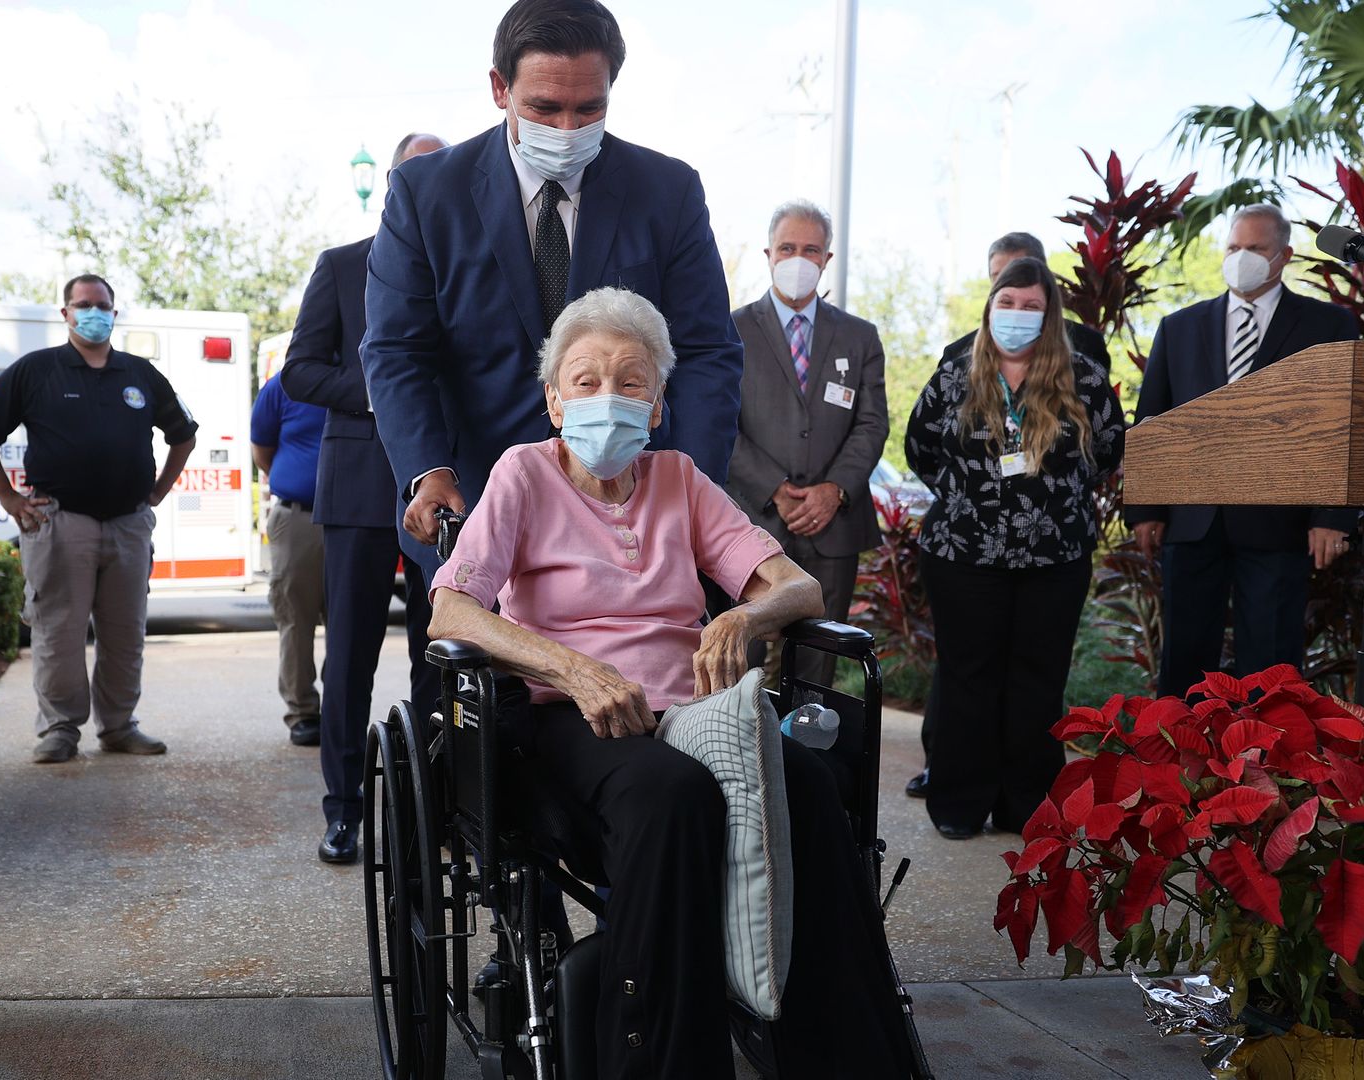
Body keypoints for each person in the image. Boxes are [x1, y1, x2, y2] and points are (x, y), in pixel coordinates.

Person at [430, 287, 913, 1078]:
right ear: (555, 401)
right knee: (671, 796)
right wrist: (573, 667)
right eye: (585, 381)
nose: (608, 397)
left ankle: (847, 1058)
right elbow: (451, 611)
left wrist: (741, 621)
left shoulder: (680, 478)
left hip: (697, 718)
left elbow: (798, 588)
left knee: (809, 789)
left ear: (657, 406)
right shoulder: (523, 474)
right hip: (573, 718)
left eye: (631, 381)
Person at [362, 0, 744, 563]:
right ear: (500, 87)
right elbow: (396, 350)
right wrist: (429, 471)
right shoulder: (427, 195)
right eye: (545, 108)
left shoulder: (668, 193)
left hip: (634, 515)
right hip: (475, 509)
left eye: (590, 109)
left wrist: (690, 491)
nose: (568, 130)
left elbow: (708, 352)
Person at [905, 257, 1125, 840]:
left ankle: (1027, 805)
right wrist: (972, 503)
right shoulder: (956, 373)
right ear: (989, 308)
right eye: (1009, 303)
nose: (1018, 316)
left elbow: (1107, 453)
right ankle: (957, 802)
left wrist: (1046, 508)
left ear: (1050, 316)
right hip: (961, 556)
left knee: (1037, 681)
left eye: (1032, 306)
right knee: (968, 679)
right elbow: (920, 449)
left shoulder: (1084, 376)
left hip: (1054, 559)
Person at [280, 131, 448, 863]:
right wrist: (386, 397)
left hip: (445, 490)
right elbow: (301, 372)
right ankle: (344, 809)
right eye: (413, 176)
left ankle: (437, 811)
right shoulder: (344, 266)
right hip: (358, 487)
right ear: (389, 184)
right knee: (349, 658)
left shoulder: (465, 268)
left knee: (440, 654)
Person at [0, 274, 197, 763]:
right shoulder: (37, 370)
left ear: (115, 313)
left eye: (102, 306)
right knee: (57, 634)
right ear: (65, 312)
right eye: (83, 305)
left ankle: (118, 727)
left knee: (124, 633)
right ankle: (59, 730)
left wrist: (157, 492)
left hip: (128, 524)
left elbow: (184, 435)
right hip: (60, 521)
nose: (93, 313)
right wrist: (7, 496)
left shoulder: (140, 374)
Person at [1127, 204, 1358, 699]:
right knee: (1184, 664)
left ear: (1284, 255)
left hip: (1281, 521)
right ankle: (1182, 767)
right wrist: (1145, 508)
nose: (1242, 258)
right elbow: (1152, 422)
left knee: (1270, 666)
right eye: (1234, 248)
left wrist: (1333, 516)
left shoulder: (1330, 327)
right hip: (1192, 520)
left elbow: (1344, 426)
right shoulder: (1179, 328)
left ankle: (1267, 767)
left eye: (1255, 249)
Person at [725, 199, 887, 686]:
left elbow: (872, 423)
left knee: (817, 671)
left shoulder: (860, 337)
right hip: (751, 524)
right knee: (741, 660)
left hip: (832, 527)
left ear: (827, 259)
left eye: (811, 249)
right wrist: (773, 487)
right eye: (788, 248)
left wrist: (832, 490)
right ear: (769, 254)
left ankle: (810, 761)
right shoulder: (728, 331)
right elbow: (717, 424)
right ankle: (740, 759)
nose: (799, 258)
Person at [250, 373, 326, 748]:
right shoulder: (284, 385)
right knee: (296, 619)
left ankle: (343, 707)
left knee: (352, 624)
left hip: (356, 521)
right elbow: (261, 450)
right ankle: (303, 713)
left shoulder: (365, 375)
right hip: (298, 518)